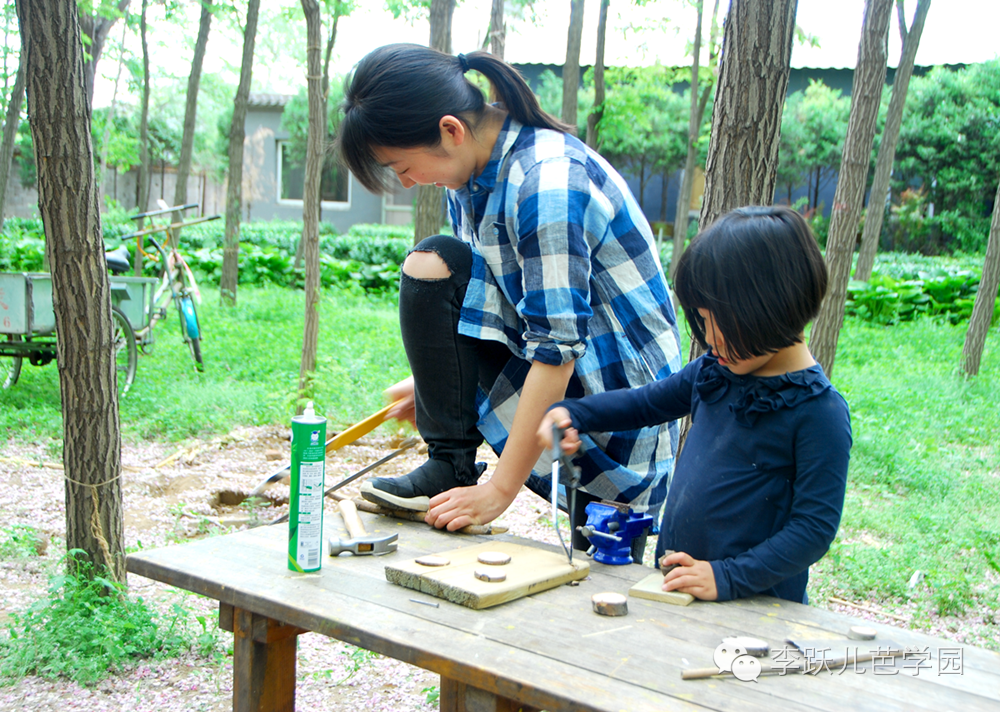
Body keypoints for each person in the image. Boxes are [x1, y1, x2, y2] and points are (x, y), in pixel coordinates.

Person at [337, 44, 682, 551]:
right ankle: (448, 467)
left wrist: (501, 490)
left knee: (600, 568)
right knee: (433, 263)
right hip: (560, 376)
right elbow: (490, 297)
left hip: (620, 419)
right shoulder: (470, 176)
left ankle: (598, 526)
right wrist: (437, 379)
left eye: (401, 166)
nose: (407, 184)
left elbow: (557, 348)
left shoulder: (547, 184)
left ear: (450, 131)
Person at [538, 206, 852, 604]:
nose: (709, 337)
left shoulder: (818, 413)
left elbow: (813, 529)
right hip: (677, 586)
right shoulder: (714, 372)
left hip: (754, 608)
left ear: (771, 308)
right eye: (701, 321)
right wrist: (575, 413)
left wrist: (727, 577)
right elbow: (645, 404)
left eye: (718, 320)